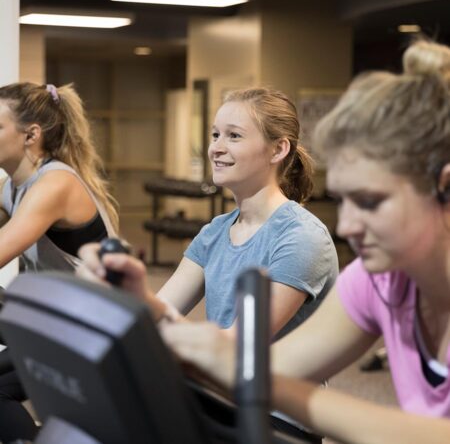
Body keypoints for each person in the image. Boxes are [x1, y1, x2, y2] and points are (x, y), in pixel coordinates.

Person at [160, 39, 450, 444]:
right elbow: (264, 371)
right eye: (343, 200)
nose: (347, 226)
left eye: (370, 201)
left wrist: (225, 363)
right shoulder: (375, 282)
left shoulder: (304, 238)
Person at [80, 87, 338, 339]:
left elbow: (238, 348)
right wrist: (114, 289)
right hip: (219, 380)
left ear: (278, 149)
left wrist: (141, 298)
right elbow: (152, 318)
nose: (216, 148)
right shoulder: (215, 232)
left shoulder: (301, 238)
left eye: (234, 136)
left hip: (271, 382)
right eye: (215, 135)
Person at [0, 81, 118, 442]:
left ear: (30, 134)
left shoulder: (55, 185)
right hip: (60, 325)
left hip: (98, 335)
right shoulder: (12, 186)